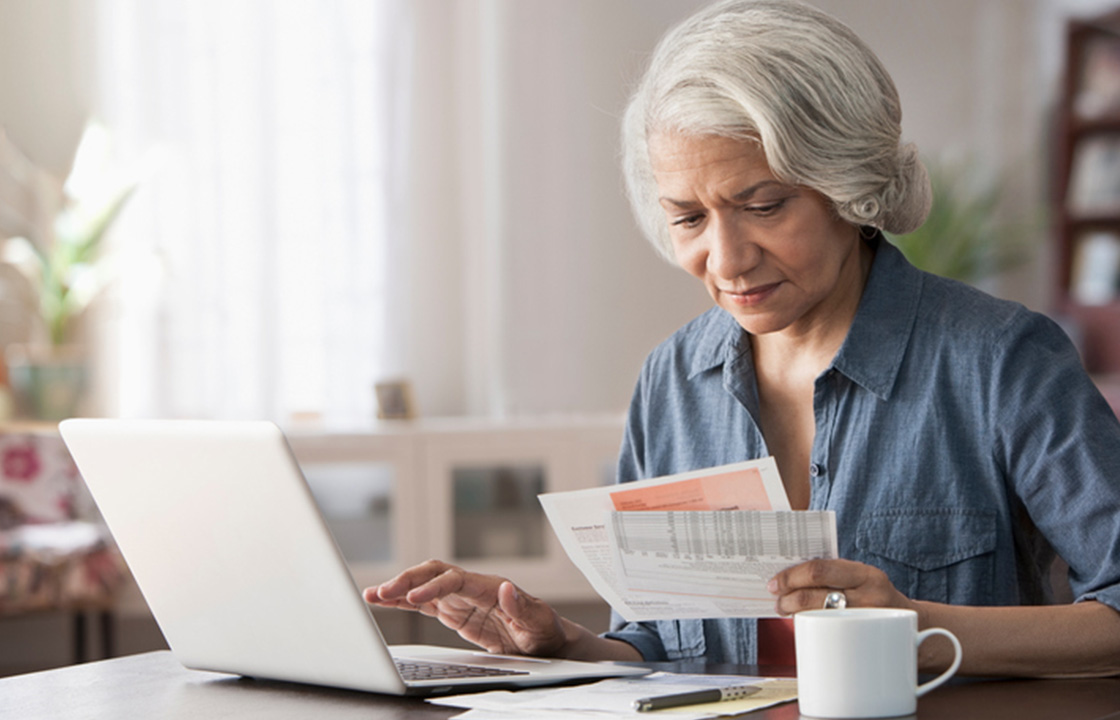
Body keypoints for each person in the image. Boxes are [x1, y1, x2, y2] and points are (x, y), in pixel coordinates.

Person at [364, 0, 1120, 676]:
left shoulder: (1001, 361)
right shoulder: (672, 378)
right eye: (688, 218)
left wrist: (923, 629)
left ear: (850, 186)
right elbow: (657, 643)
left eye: (762, 205)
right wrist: (565, 644)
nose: (724, 261)